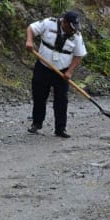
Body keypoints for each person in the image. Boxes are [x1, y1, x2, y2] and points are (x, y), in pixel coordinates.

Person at [26, 9, 86, 139]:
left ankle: (60, 128)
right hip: (43, 67)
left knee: (61, 100)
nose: (73, 30)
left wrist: (69, 71)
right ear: (64, 22)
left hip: (62, 72)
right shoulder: (48, 23)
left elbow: (79, 55)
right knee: (39, 97)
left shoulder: (77, 36)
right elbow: (31, 28)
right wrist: (29, 41)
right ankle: (37, 123)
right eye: (71, 27)